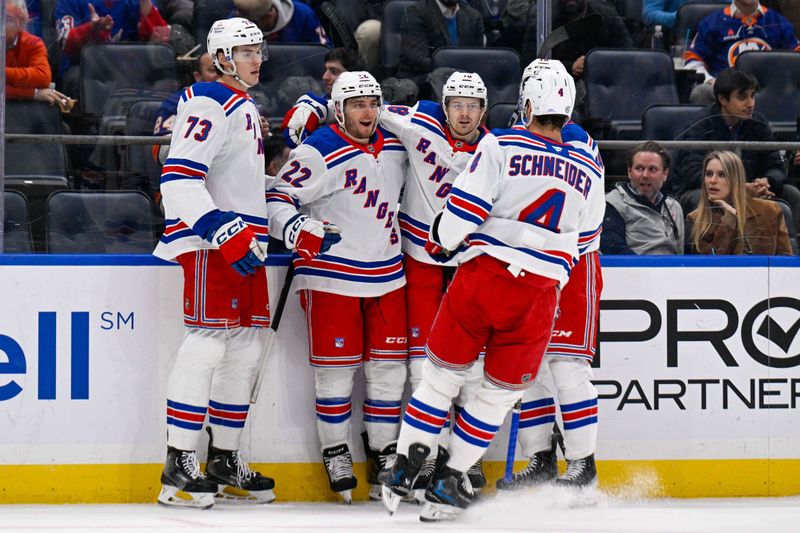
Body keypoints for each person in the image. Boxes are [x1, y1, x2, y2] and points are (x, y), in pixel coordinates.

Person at [379, 60, 605, 521]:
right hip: (540, 294)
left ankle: (406, 464)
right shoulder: (589, 163)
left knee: (440, 376)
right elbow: (587, 237)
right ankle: (451, 476)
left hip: (483, 278)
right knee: (497, 395)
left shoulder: (499, 143)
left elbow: (463, 211)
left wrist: (441, 240)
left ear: (525, 102)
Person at [266, 71, 409, 503]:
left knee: (388, 373)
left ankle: (384, 451)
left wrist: (314, 100)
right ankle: (336, 450)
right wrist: (296, 227)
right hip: (332, 277)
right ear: (341, 110)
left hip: (388, 273)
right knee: (336, 374)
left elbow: (440, 119)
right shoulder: (318, 150)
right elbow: (277, 198)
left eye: (373, 102)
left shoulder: (398, 143)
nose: (367, 111)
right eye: (357, 104)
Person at [153, 17, 275, 509]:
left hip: (243, 241)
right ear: (222, 57)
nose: (256, 60)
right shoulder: (209, 99)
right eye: (245, 52)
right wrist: (218, 227)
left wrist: (286, 224)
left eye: (258, 51)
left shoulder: (242, 104)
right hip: (212, 243)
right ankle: (179, 461)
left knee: (244, 345)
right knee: (206, 342)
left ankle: (223, 456)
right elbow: (178, 179)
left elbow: (243, 182)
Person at [495, 58, 605, 492]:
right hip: (532, 269)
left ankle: (582, 463)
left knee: (566, 365)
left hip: (572, 268)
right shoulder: (522, 136)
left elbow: (589, 225)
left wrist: (552, 262)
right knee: (531, 365)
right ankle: (540, 459)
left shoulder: (576, 144)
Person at [379, 71, 491, 496]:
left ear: (483, 110)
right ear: (445, 107)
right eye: (457, 105)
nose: (464, 113)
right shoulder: (419, 124)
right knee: (423, 365)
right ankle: (429, 454)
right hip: (421, 260)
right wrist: (316, 106)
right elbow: (369, 109)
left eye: (472, 105)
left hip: (467, 263)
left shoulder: (494, 149)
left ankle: (465, 459)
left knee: (473, 367)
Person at [673, 68, 800, 229]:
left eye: (752, 96)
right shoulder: (700, 125)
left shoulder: (759, 123)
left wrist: (766, 181)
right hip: (709, 189)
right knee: (699, 197)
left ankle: (790, 251)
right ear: (722, 99)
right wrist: (738, 187)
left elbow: (776, 166)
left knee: (791, 194)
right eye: (742, 97)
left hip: (750, 189)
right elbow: (693, 174)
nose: (751, 103)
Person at [685, 0, 800, 104]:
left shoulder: (778, 21)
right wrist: (710, 80)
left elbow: (796, 57)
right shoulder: (711, 23)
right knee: (701, 92)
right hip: (727, 93)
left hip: (771, 92)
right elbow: (692, 60)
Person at [55, 0, 170, 97]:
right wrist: (90, 30)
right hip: (85, 68)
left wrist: (145, 4)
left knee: (163, 75)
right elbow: (66, 42)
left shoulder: (136, 2)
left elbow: (162, 39)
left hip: (129, 68)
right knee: (77, 79)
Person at [688, 150, 792, 255]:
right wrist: (729, 220)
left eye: (722, 175)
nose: (712, 180)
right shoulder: (696, 219)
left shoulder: (769, 211)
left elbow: (786, 264)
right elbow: (712, 266)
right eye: (709, 174)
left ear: (735, 179)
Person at [601, 142, 684, 255]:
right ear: (629, 171)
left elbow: (681, 254)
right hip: (633, 270)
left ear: (665, 174)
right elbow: (614, 250)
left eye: (652, 169)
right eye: (639, 168)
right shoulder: (612, 203)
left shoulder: (674, 206)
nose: (645, 175)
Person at [280, 47, 366, 148]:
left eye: (334, 71)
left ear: (353, 76)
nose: (325, 77)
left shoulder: (378, 109)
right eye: (326, 70)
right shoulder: (314, 108)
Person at [153, 53, 221, 164]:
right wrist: (200, 131)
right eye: (213, 70)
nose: (220, 75)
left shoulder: (244, 103)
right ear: (198, 77)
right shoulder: (177, 102)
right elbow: (161, 154)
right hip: (194, 175)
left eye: (224, 69)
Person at [397, 0, 486, 84]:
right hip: (422, 79)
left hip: (463, 81)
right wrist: (453, 73)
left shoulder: (473, 16)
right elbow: (418, 58)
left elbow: (477, 58)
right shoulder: (415, 12)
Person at [5, 0, 69, 106]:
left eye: (7, 19)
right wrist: (33, 93)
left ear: (20, 23)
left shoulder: (33, 43)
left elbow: (43, 77)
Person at [233, 0, 331, 45]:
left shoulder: (303, 15)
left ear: (268, 16)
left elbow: (323, 49)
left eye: (251, 21)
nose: (244, 24)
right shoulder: (236, 19)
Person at [642, 0, 726, 30]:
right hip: (676, 38)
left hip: (714, 34)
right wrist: (681, 16)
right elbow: (649, 14)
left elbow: (732, 7)